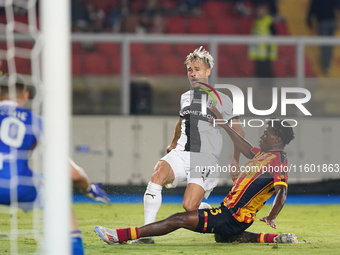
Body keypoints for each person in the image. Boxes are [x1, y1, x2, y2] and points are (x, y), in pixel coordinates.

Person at [94, 114, 297, 245]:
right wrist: (225, 125)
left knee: (178, 219)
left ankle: (119, 236)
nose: (261, 137)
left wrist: (272, 216)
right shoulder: (263, 154)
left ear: (277, 139)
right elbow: (243, 146)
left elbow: (282, 191)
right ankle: (275, 238)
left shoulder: (278, 161)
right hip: (233, 216)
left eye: (265, 134)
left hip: (232, 216)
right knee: (223, 236)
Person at [130, 46, 244, 244]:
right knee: (157, 174)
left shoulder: (222, 99)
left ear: (208, 72)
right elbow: (181, 121)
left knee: (190, 207)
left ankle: (207, 211)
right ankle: (147, 234)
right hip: (182, 152)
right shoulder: (185, 97)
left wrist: (235, 159)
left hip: (205, 159)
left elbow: (239, 131)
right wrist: (174, 142)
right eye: (190, 70)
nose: (192, 74)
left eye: (197, 69)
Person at [0, 74, 109, 255]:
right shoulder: (35, 121)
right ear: (26, 96)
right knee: (57, 197)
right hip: (19, 185)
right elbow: (74, 174)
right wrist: (88, 189)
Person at [307, 0, 340, 75]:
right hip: (332, 21)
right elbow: (338, 6)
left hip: (323, 23)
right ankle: (327, 64)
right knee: (329, 45)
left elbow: (311, 10)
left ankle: (325, 66)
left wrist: (309, 22)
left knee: (325, 45)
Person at [248, 3, 277, 80]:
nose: (259, 12)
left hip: (267, 50)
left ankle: (269, 86)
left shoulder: (269, 21)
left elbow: (274, 34)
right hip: (258, 51)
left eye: (261, 10)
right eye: (258, 10)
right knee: (259, 70)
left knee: (267, 70)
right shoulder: (256, 21)